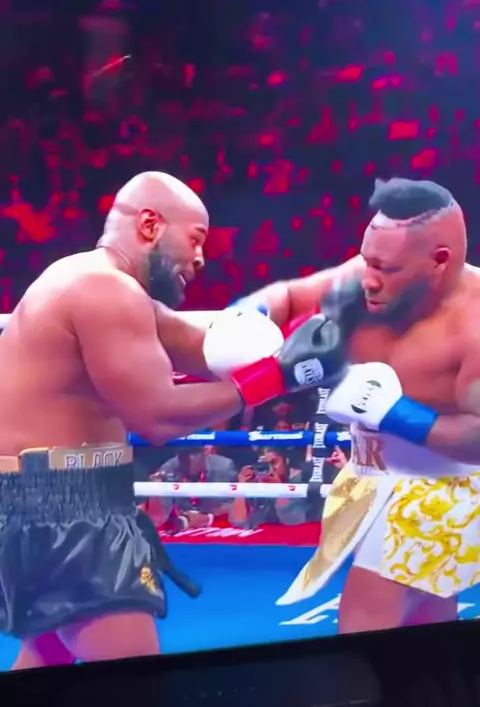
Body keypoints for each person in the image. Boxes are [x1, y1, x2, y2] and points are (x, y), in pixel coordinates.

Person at [0, 170, 336, 669]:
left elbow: (208, 349)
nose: (200, 258)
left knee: (48, 659)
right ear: (150, 225)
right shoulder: (103, 290)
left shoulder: (96, 283)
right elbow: (155, 416)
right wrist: (275, 378)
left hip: (55, 500)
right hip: (64, 508)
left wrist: (294, 343)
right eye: (195, 239)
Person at [236, 177, 480, 633]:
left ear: (439, 261)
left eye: (385, 268)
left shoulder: (474, 323)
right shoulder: (362, 279)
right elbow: (288, 297)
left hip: (444, 489)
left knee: (363, 626)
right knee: (428, 621)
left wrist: (397, 415)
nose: (367, 277)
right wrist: (245, 320)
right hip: (369, 478)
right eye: (367, 260)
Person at [145, 446, 238, 530]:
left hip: (217, 523)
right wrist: (154, 489)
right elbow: (159, 519)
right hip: (181, 525)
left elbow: (233, 506)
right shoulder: (168, 469)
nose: (190, 459)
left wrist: (207, 517)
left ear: (204, 452)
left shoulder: (224, 467)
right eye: (185, 455)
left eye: (194, 454)